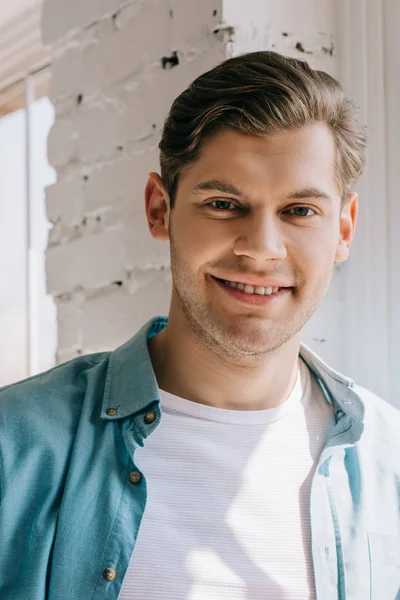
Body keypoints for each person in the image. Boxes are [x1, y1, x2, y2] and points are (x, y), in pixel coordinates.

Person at [0, 50, 399, 600]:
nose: (261, 249)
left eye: (300, 211)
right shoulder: (13, 447)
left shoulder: (390, 464)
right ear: (159, 209)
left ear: (344, 229)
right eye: (223, 203)